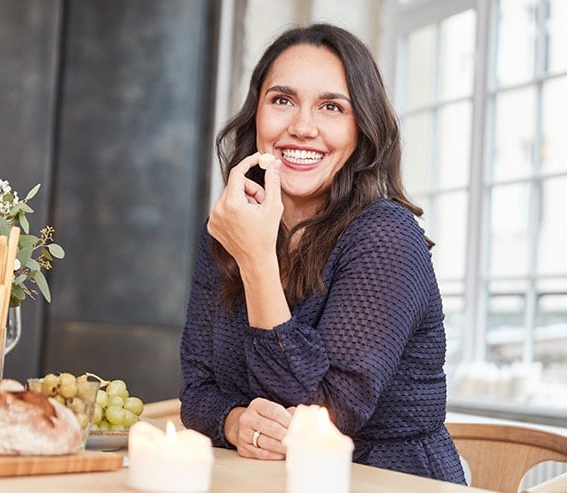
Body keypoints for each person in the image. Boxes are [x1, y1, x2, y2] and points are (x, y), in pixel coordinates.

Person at [178, 23, 466, 484]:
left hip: (389, 481)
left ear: (362, 128)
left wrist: (256, 263)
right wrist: (236, 422)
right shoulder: (231, 230)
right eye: (282, 100)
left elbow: (318, 417)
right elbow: (197, 393)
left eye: (331, 107)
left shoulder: (387, 237)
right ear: (256, 116)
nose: (302, 127)